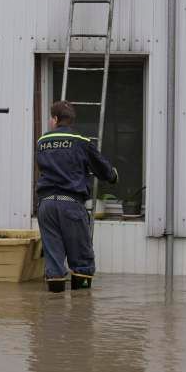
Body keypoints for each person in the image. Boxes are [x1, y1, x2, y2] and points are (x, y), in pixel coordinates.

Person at [36, 100, 118, 291]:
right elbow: (104, 171)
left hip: (46, 206)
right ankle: (80, 313)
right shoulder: (82, 142)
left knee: (53, 262)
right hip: (71, 205)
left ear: (55, 119)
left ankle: (53, 311)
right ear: (70, 120)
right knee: (82, 261)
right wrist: (113, 175)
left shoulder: (41, 141)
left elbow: (43, 168)